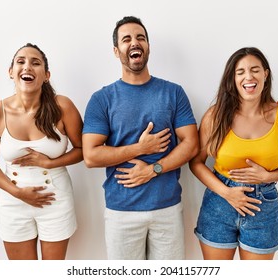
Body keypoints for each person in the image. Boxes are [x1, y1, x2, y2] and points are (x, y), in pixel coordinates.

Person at [82, 16, 199, 260]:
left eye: (140, 38)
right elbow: (91, 156)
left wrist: (154, 169)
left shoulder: (173, 92)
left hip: (167, 208)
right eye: (126, 39)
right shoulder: (102, 99)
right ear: (117, 51)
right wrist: (139, 148)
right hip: (121, 212)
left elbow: (191, 144)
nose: (134, 43)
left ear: (147, 47)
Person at [189, 47, 278, 260]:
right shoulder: (215, 115)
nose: (248, 77)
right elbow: (196, 163)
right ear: (232, 79)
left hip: (262, 207)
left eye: (255, 70)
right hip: (219, 203)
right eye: (240, 72)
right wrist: (226, 193)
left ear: (266, 74)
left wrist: (269, 176)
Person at [0, 43, 83, 260]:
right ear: (11, 72)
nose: (27, 66)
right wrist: (18, 193)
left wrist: (50, 163)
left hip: (55, 199)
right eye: (21, 61)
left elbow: (84, 150)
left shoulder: (62, 106)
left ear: (46, 75)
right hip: (13, 202)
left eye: (36, 63)